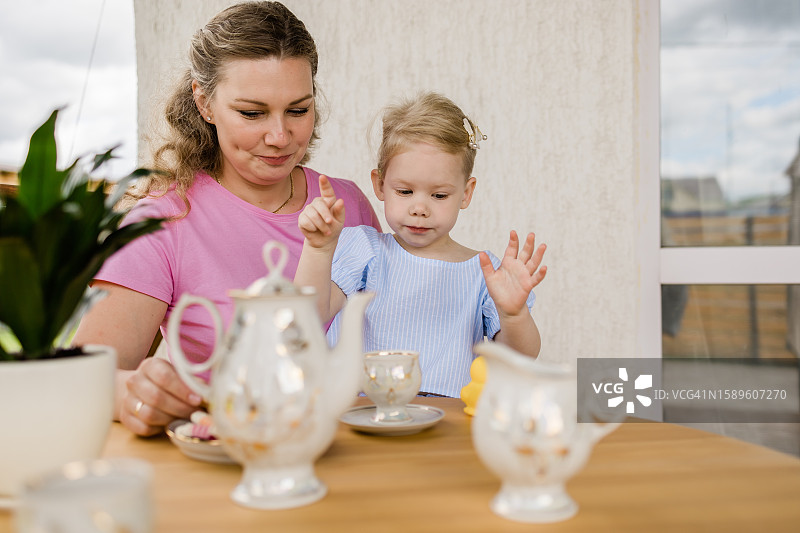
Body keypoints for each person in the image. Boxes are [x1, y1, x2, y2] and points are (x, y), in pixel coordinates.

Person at [73, 1, 380, 436]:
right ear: (204, 102)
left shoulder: (348, 203)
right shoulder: (162, 221)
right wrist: (134, 395)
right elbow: (84, 378)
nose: (279, 137)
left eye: (298, 110)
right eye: (252, 113)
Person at [295, 91, 547, 398]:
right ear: (380, 185)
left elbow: (520, 358)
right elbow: (308, 316)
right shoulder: (365, 250)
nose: (420, 208)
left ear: (466, 193)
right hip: (365, 413)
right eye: (404, 191)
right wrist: (319, 249)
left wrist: (513, 314)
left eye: (439, 195)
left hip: (449, 422)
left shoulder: (486, 273)